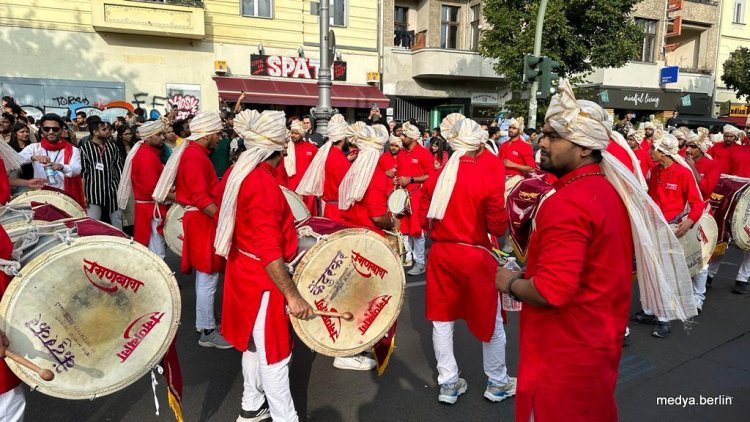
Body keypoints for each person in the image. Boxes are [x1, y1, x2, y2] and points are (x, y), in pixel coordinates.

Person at [495, 80, 695, 421]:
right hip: (597, 343)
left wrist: (509, 282)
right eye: (543, 133)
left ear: (585, 147)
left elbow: (551, 291)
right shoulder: (606, 190)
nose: (541, 142)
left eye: (554, 136)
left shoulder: (569, 202)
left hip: (562, 353)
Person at [214, 109, 314, 422]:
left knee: (254, 345)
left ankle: (251, 406)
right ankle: (286, 417)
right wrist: (293, 295)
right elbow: (271, 254)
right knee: (275, 354)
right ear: (279, 149)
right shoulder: (262, 186)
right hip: (262, 281)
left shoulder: (238, 172)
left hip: (242, 270)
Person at [420, 113, 515, 405]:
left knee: (442, 322)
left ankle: (448, 383)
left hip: (441, 255)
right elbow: (497, 228)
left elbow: (425, 222)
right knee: (491, 321)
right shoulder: (486, 177)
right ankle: (497, 382)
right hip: (475, 256)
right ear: (477, 145)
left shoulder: (437, 176)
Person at [153, 111, 231, 349]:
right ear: (207, 135)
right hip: (202, 222)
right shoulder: (195, 157)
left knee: (206, 277)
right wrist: (224, 221)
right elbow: (200, 197)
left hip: (199, 220)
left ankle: (205, 323)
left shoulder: (192, 153)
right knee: (209, 276)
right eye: (217, 134)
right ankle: (207, 330)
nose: (219, 139)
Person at [117, 120, 170, 257]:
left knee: (153, 248)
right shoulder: (147, 155)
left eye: (162, 134)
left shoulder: (147, 152)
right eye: (158, 134)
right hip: (150, 210)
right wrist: (177, 197)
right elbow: (151, 188)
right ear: (147, 138)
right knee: (157, 251)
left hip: (148, 208)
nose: (163, 137)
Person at [18, 113, 85, 207]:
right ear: (41, 130)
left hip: (64, 198)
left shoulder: (73, 150)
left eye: (55, 129)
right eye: (46, 129)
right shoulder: (34, 148)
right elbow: (16, 159)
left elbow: (76, 169)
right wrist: (33, 157)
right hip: (40, 196)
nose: (50, 132)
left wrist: (60, 167)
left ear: (61, 130)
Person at [296, 114, 350, 222]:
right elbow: (347, 188)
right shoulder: (340, 159)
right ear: (343, 138)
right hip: (339, 212)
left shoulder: (326, 154)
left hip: (326, 208)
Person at [395, 121, 433, 276]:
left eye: (404, 135)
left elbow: (430, 175)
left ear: (413, 137)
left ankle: (420, 263)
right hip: (402, 196)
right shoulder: (401, 153)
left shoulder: (424, 153)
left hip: (418, 197)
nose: (401, 138)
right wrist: (397, 180)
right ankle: (407, 259)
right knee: (403, 230)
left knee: (417, 231)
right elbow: (399, 173)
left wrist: (410, 179)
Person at [79, 120, 123, 229]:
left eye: (107, 129)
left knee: (117, 221)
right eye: (104, 129)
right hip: (93, 192)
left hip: (113, 190)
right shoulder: (85, 149)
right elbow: (83, 173)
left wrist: (121, 189)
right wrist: (83, 195)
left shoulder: (112, 146)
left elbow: (118, 168)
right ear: (95, 132)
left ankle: (120, 242)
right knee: (93, 222)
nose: (108, 131)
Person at [284, 120, 318, 192]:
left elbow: (317, 168)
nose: (293, 135)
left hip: (306, 187)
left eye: (296, 133)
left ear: (302, 134)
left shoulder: (311, 148)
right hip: (289, 186)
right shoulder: (285, 148)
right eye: (292, 132)